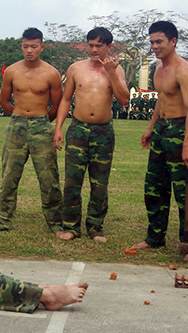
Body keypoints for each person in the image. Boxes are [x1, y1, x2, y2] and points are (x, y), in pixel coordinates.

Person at [131, 21, 188, 262]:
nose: (154, 46)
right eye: (152, 42)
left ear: (173, 41)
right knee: (154, 187)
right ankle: (155, 237)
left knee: (185, 190)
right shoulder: (158, 68)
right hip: (162, 131)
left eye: (159, 41)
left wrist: (187, 144)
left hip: (181, 129)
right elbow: (162, 100)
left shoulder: (182, 69)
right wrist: (151, 127)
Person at [53, 27, 129, 243]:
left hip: (103, 131)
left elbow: (124, 100)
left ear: (108, 47)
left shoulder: (117, 70)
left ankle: (95, 227)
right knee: (72, 181)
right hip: (78, 129)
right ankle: (71, 226)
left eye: (99, 45)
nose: (94, 49)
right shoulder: (76, 69)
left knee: (100, 182)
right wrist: (59, 128)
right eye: (91, 45)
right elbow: (66, 99)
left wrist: (112, 73)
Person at [0, 28, 64, 237]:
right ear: (21, 46)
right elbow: (4, 101)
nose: (29, 50)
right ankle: (2, 220)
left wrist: (41, 122)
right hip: (16, 125)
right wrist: (20, 117)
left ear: (42, 47)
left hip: (42, 125)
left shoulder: (51, 73)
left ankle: (56, 223)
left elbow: (57, 105)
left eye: (34, 46)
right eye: (25, 46)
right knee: (9, 175)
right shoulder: (11, 71)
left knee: (49, 178)